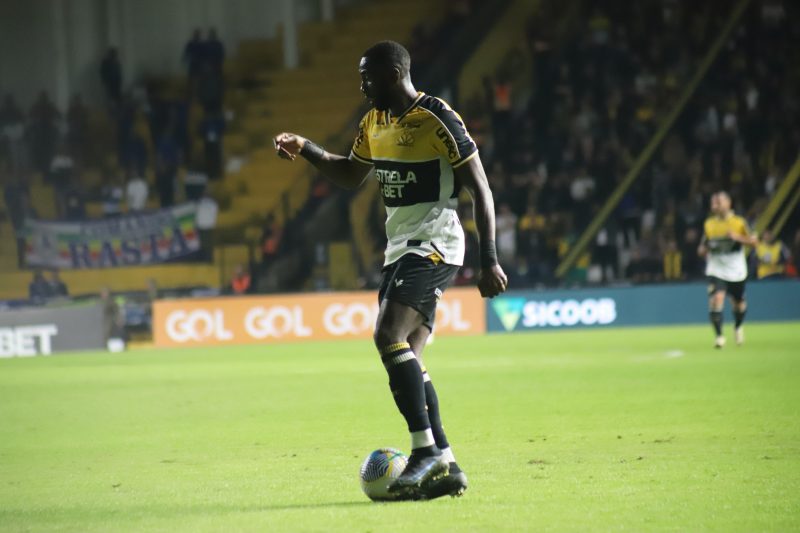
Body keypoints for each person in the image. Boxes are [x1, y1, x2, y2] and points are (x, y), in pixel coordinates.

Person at [273, 40, 507, 500]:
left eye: (368, 76)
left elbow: (480, 188)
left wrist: (490, 259)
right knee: (408, 357)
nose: (361, 85)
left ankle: (424, 452)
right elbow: (349, 174)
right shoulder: (373, 122)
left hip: (436, 243)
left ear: (395, 73)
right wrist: (306, 148)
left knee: (386, 335)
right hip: (400, 248)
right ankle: (447, 461)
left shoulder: (437, 117)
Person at [697, 191, 758, 348]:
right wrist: (703, 250)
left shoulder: (739, 222)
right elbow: (702, 247)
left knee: (739, 304)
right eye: (713, 202)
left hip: (736, 269)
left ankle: (737, 327)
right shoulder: (709, 224)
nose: (714, 205)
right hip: (716, 268)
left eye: (718, 202)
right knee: (716, 299)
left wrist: (738, 238)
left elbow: (754, 242)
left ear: (728, 203)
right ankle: (719, 337)